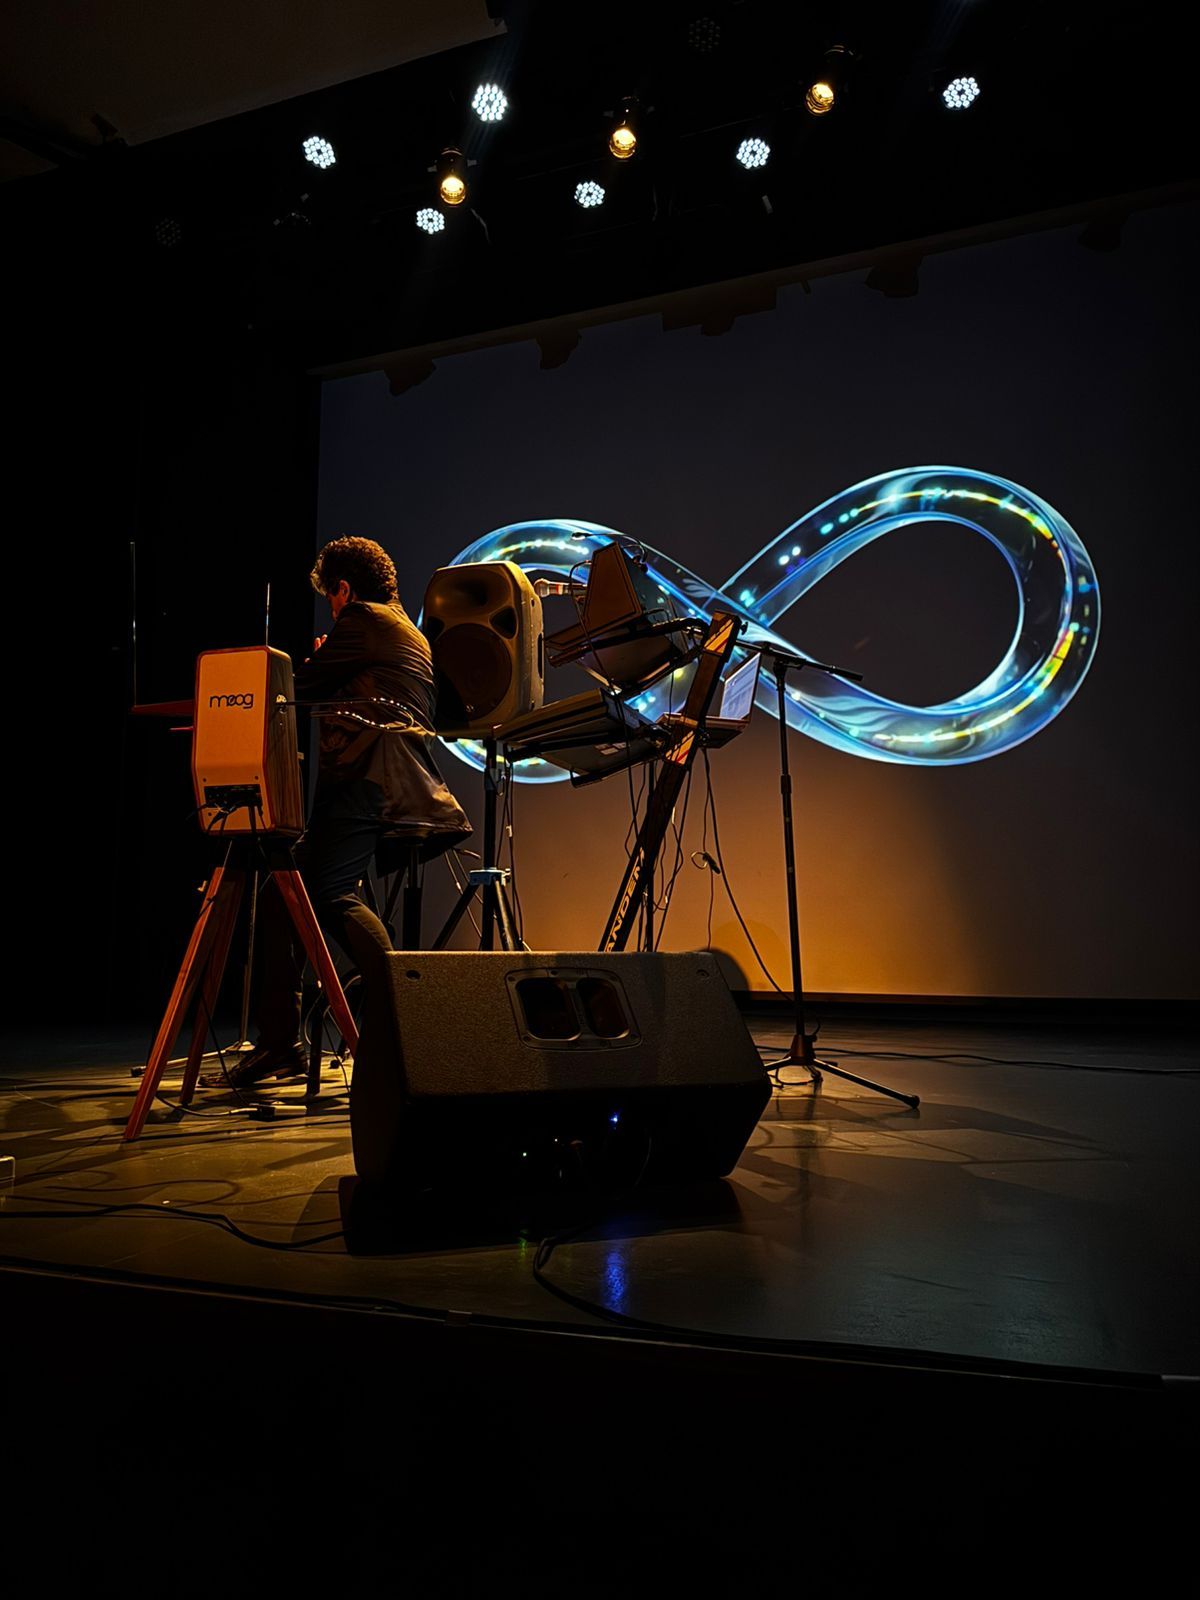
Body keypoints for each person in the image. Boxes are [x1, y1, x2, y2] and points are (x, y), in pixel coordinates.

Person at [208, 536, 470, 1087]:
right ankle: (281, 1045)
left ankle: (404, 1020)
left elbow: (293, 688)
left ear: (344, 589)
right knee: (285, 895)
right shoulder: (406, 629)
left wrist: (319, 657)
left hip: (365, 779)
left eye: (330, 597)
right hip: (386, 782)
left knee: (326, 894)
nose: (331, 608)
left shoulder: (363, 621)